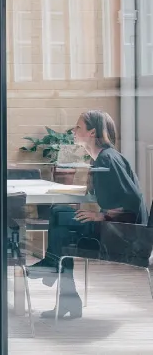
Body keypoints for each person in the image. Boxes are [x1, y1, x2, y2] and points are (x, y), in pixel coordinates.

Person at [27, 110, 146, 321]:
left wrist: (102, 216)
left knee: (62, 225)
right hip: (115, 229)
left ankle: (56, 273)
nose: (74, 130)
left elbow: (134, 203)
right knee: (59, 214)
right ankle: (60, 281)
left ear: (92, 132)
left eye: (78, 127)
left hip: (122, 235)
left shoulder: (107, 160)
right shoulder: (103, 158)